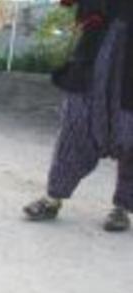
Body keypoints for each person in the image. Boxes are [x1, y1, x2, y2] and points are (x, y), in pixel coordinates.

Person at [23, 0, 133, 232]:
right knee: (77, 121)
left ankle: (122, 209)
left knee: (130, 130)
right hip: (96, 44)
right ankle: (53, 198)